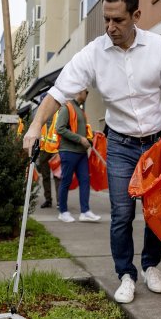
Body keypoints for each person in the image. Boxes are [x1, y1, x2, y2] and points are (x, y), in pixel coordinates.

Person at [23, 0, 161, 304]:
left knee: (156, 214)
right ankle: (126, 273)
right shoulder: (93, 54)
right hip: (122, 145)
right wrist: (35, 126)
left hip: (157, 143)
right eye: (106, 20)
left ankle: (151, 264)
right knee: (122, 214)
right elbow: (57, 94)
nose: (110, 27)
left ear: (136, 15)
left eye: (118, 20)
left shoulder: (160, 47)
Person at [55, 89, 101, 223]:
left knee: (85, 181)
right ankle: (63, 212)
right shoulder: (67, 108)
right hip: (68, 151)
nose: (87, 95)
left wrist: (93, 133)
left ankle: (85, 211)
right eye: (87, 92)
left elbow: (81, 130)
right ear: (80, 92)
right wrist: (80, 139)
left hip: (81, 153)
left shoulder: (80, 110)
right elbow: (60, 128)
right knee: (66, 181)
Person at [37, 94, 61, 209]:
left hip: (55, 150)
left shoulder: (59, 114)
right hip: (43, 150)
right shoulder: (40, 115)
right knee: (45, 177)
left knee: (57, 176)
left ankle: (60, 202)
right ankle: (48, 200)